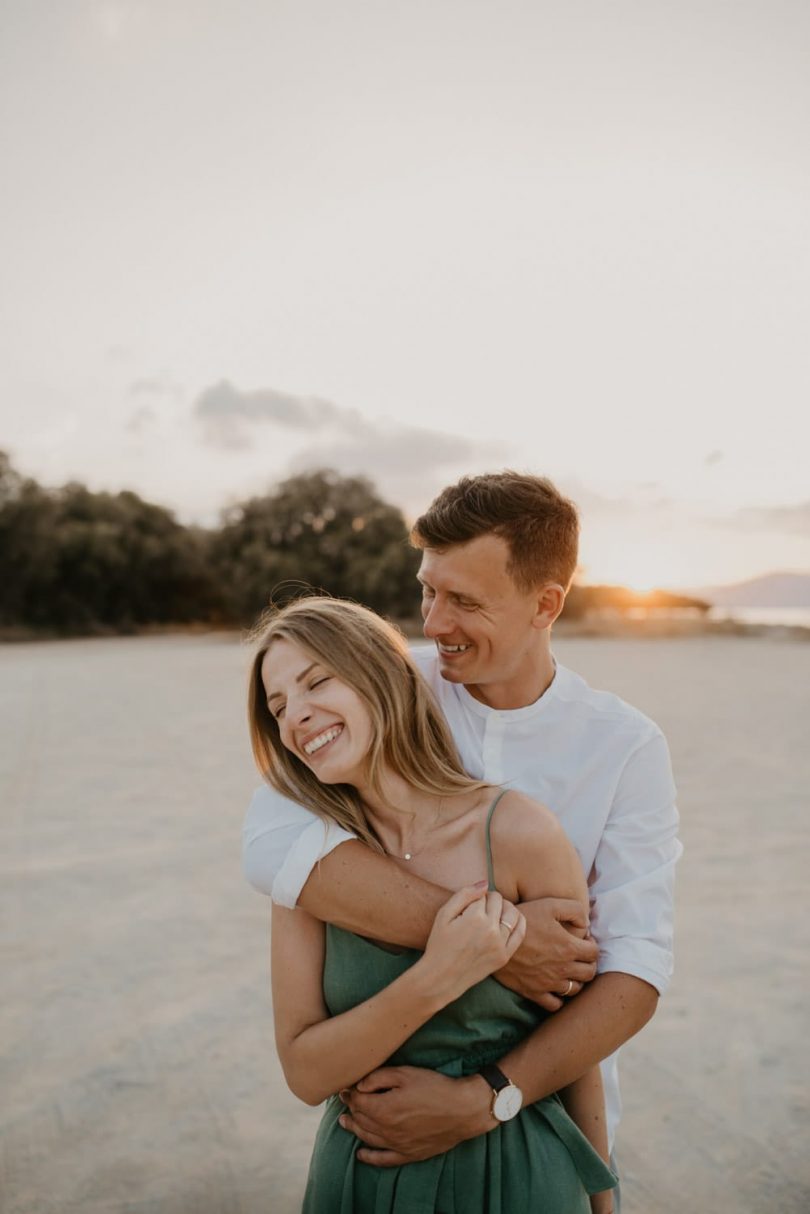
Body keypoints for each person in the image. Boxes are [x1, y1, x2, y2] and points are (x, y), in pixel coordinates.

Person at [243, 471, 681, 1207]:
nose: (434, 622)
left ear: (547, 605)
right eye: (428, 591)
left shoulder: (626, 746)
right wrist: (497, 943)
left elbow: (633, 972)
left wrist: (490, 1099)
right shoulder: (386, 687)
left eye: (465, 601)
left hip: (535, 1109)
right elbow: (271, 838)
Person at [248, 595, 618, 1212]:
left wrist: (604, 1202)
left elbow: (578, 1049)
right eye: (279, 707)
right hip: (363, 1178)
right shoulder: (308, 869)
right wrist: (439, 973)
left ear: (379, 674)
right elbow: (305, 1074)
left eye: (316, 683)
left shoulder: (521, 832)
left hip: (522, 1173)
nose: (297, 718)